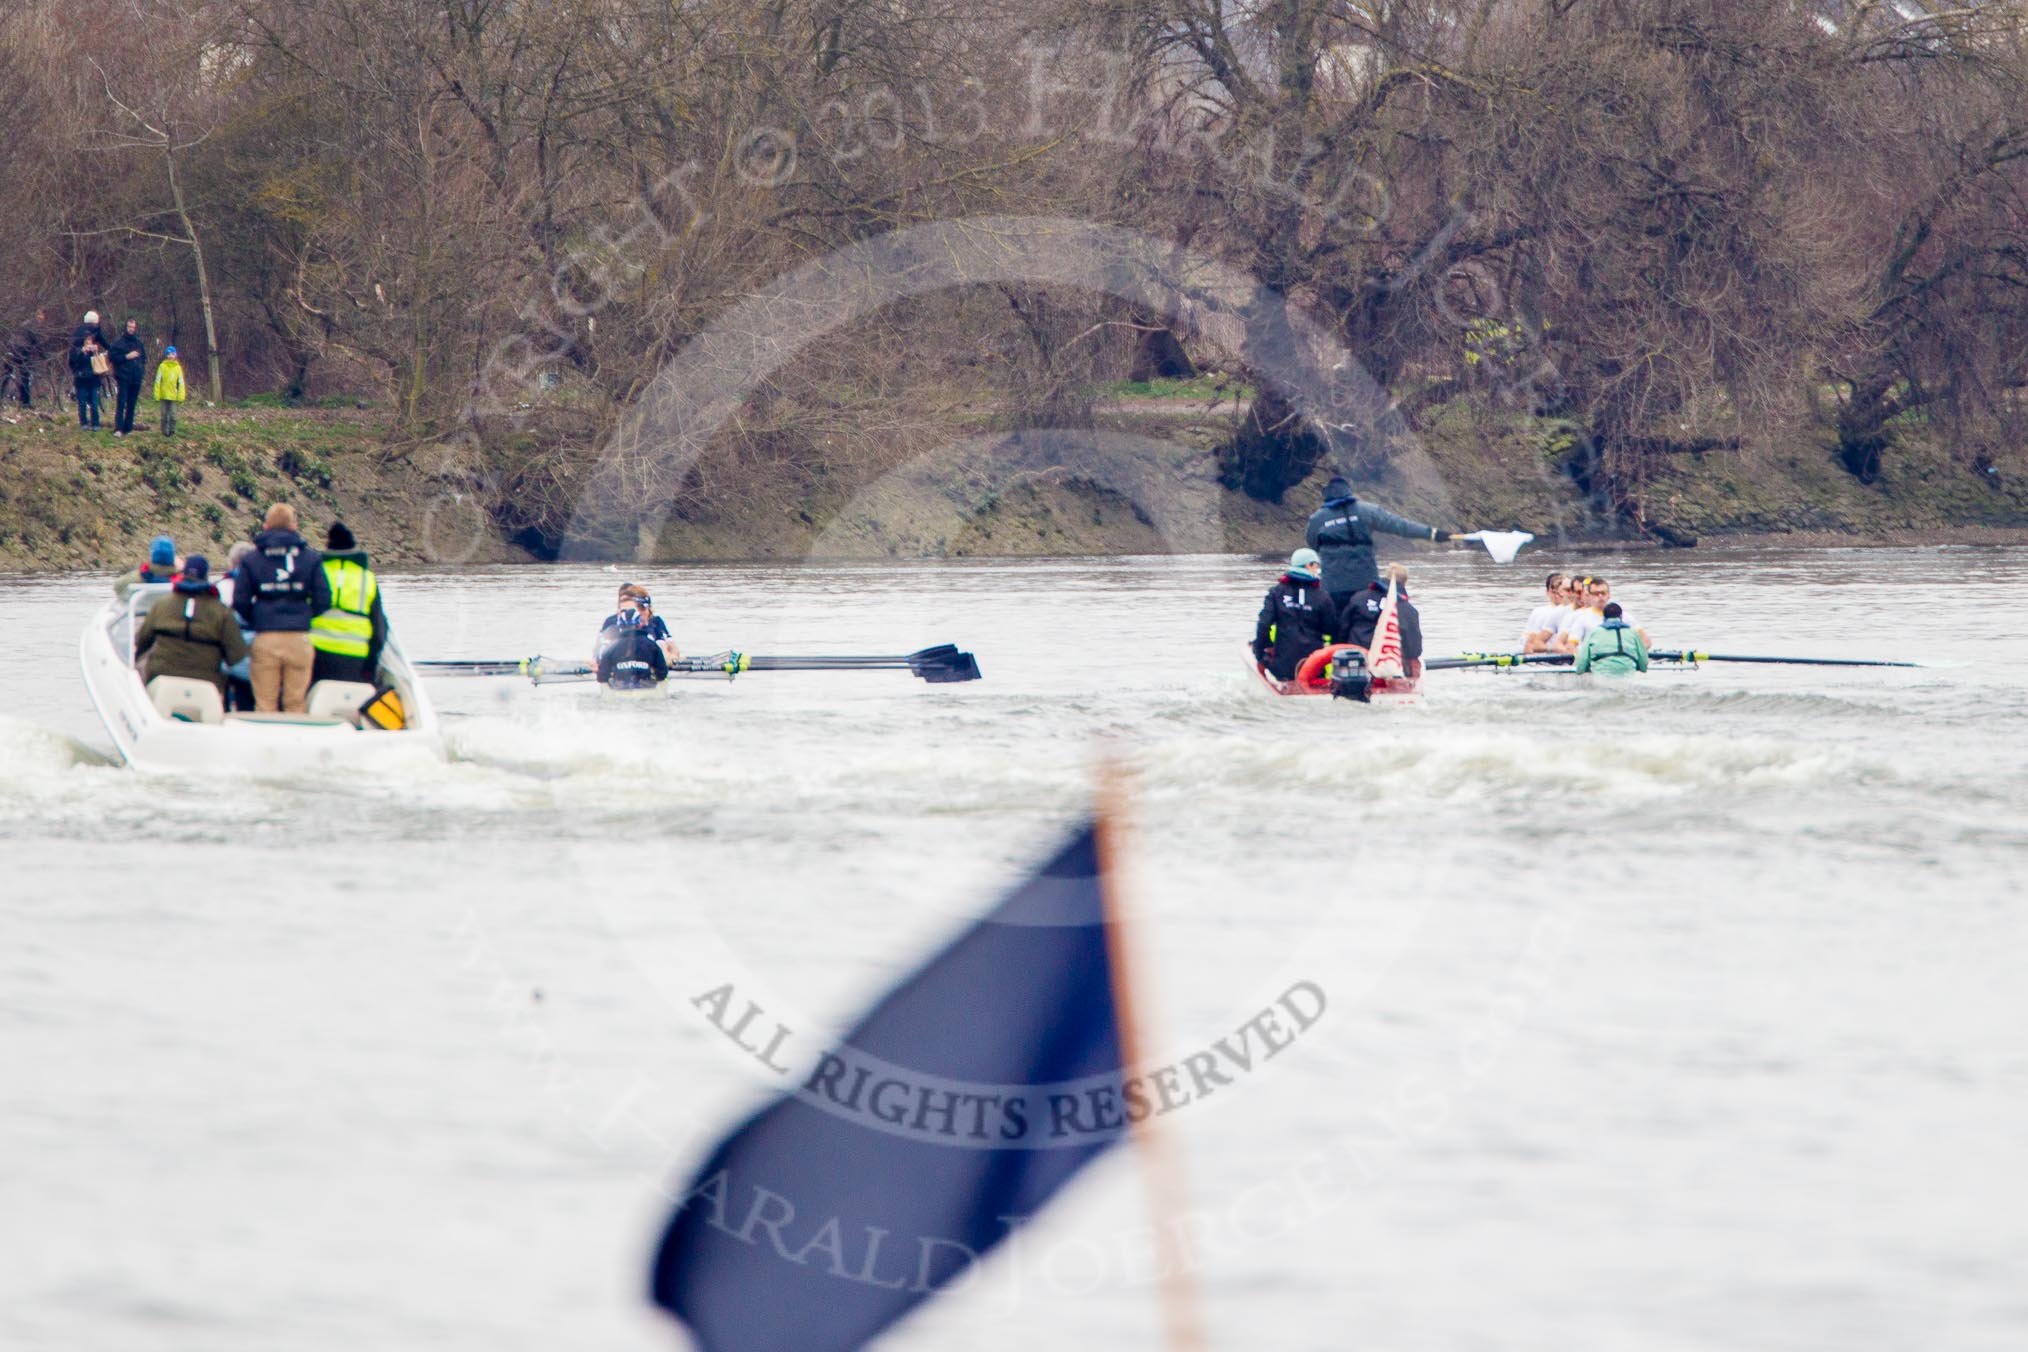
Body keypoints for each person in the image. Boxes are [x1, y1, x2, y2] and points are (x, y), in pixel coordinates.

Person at [1305, 474, 1467, 615]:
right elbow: (1401, 526)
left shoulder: (1317, 519)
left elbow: (1312, 544)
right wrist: (1434, 534)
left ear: (1326, 495)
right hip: (1366, 585)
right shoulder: (1367, 511)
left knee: (1338, 627)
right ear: (1349, 491)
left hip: (1334, 587)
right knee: (1366, 623)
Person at [231, 502, 332, 713]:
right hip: (299, 639)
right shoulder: (311, 558)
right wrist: (303, 617)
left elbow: (240, 601)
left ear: (266, 526)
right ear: (294, 526)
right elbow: (324, 599)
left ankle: (266, 744)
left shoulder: (252, 559)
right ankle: (296, 743)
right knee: (295, 702)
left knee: (265, 704)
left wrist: (257, 619)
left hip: (266, 638)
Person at [133, 555, 249, 697]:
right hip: (207, 683)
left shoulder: (161, 605)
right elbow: (236, 656)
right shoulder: (222, 612)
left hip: (161, 677)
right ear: (206, 576)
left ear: (183, 574)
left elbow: (141, 641)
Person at [309, 522, 388, 686]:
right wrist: (370, 667)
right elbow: (379, 633)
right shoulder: (368, 579)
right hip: (355, 659)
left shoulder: (315, 573)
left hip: (315, 656)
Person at [1251, 547, 1340, 681]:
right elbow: (1333, 630)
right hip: (1313, 666)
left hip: (1282, 666)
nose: (1317, 570)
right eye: (1316, 566)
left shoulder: (1276, 592)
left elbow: (1264, 625)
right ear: (1308, 565)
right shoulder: (1322, 596)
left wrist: (1260, 653)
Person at [1342, 563, 1426, 676]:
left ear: (1386, 577)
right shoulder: (1408, 610)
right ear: (1405, 582)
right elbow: (1414, 648)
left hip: (1357, 660)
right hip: (1390, 665)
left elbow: (1343, 628)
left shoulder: (1359, 598)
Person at [220, 540, 258, 711]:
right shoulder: (262, 587)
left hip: (229, 658)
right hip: (257, 657)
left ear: (232, 563)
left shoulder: (221, 588)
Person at [596, 610, 670, 689]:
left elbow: (602, 677)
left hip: (619, 689)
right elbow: (662, 674)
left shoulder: (611, 647)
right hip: (646, 688)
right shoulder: (652, 645)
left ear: (620, 627)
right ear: (640, 625)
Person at [1573, 602, 1650, 675]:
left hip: (1601, 677)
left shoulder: (1594, 633)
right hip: (1627, 676)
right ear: (1621, 617)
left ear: (1604, 617)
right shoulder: (1633, 633)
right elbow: (1644, 664)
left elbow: (1581, 664)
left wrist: (1582, 670)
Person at [107, 319, 147, 436]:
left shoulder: (139, 343)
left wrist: (141, 370)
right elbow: (112, 358)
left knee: (132, 403)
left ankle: (128, 427)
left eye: (133, 327)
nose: (131, 329)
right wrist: (126, 357)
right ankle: (118, 428)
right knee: (121, 402)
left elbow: (144, 358)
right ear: (126, 327)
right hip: (123, 376)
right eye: (129, 327)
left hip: (136, 377)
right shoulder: (118, 343)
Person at [68, 310, 106, 430]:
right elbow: (73, 361)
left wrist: (96, 352)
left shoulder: (93, 349)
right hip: (81, 379)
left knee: (94, 403)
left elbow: (99, 363)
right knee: (82, 403)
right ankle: (84, 423)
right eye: (87, 342)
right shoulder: (78, 350)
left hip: (93, 379)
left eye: (91, 342)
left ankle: (96, 423)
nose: (89, 344)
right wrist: (81, 353)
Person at [114, 534, 181, 600]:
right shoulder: (183, 580)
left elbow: (117, 587)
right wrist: (181, 569)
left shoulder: (137, 577)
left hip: (140, 608)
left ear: (152, 556)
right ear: (173, 558)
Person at [1521, 573, 1572, 654]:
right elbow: (1529, 645)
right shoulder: (1541, 613)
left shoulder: (1577, 612)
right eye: (1553, 592)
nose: (1557, 596)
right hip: (1549, 659)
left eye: (1570, 590)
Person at [5, 310, 43, 407]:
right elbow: (36, 342)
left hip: (11, 349)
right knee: (25, 376)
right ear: (37, 316)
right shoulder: (33, 325)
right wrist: (43, 355)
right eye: (42, 315)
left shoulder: (25, 323)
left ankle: (2, 395)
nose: (43, 317)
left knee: (7, 374)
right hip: (21, 351)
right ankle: (26, 403)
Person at [153, 345, 187, 435]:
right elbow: (157, 381)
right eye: (168, 354)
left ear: (175, 355)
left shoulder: (178, 368)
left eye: (172, 354)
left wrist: (181, 395)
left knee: (173, 415)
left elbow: (181, 383)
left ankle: (172, 430)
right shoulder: (162, 367)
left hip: (173, 396)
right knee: (163, 415)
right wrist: (157, 394)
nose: (170, 355)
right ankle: (164, 431)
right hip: (163, 395)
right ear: (166, 355)